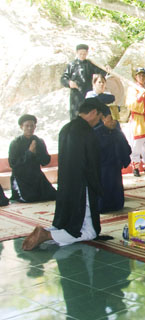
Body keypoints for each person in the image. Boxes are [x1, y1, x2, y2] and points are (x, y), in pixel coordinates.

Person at [22, 98, 108, 251]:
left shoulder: (66, 128)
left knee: (68, 220)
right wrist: (97, 187)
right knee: (90, 231)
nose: (98, 121)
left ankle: (49, 231)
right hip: (82, 186)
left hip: (66, 184)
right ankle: (47, 235)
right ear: (94, 112)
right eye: (99, 117)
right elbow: (91, 164)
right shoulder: (87, 132)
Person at [8, 114, 56, 203]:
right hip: (21, 177)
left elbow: (45, 161)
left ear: (35, 127)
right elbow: (13, 164)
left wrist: (38, 152)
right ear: (21, 127)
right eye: (27, 126)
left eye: (32, 126)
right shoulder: (15, 143)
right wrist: (29, 153)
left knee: (53, 195)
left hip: (36, 175)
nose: (30, 128)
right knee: (29, 199)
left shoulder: (39, 141)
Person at [93, 111, 131, 213]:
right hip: (102, 167)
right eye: (110, 119)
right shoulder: (96, 133)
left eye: (115, 120)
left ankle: (116, 205)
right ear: (103, 119)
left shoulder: (118, 133)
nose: (113, 122)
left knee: (116, 186)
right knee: (104, 187)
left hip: (115, 166)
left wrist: (123, 159)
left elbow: (127, 148)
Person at [60, 44, 105, 120]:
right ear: (77, 53)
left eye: (84, 54)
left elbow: (101, 72)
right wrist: (69, 83)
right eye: (80, 54)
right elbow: (63, 78)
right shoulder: (71, 65)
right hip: (76, 96)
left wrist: (106, 67)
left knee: (89, 115)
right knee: (76, 116)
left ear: (87, 53)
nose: (82, 55)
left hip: (88, 94)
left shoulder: (90, 64)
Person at [126, 67, 145, 176]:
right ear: (136, 77)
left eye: (144, 75)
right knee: (136, 145)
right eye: (139, 75)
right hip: (138, 119)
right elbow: (130, 104)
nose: (142, 77)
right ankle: (136, 167)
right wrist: (139, 96)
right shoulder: (132, 89)